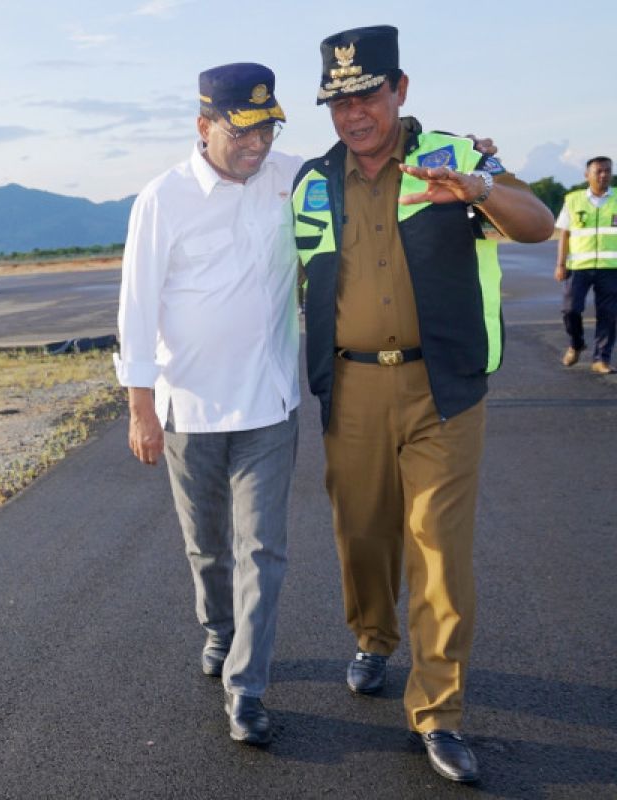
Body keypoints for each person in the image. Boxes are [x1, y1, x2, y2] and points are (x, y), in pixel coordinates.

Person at [292, 25, 554, 784]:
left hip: (443, 388)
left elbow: (536, 226)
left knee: (438, 550)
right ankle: (373, 638)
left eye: (367, 95)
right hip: (351, 389)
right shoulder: (313, 180)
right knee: (363, 535)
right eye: (339, 102)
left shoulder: (457, 156)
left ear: (399, 89)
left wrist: (477, 188)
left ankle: (437, 711)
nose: (354, 115)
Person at [115, 63, 302, 747]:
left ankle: (247, 688)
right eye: (243, 130)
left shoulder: (293, 176)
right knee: (206, 546)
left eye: (268, 128)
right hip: (188, 408)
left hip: (269, 403)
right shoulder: (161, 199)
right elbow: (135, 313)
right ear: (204, 125)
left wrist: (470, 158)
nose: (258, 144)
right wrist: (141, 411)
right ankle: (220, 630)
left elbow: (372, 158)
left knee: (265, 549)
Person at [555, 156, 616, 374]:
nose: (603, 175)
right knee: (570, 310)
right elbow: (565, 234)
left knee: (608, 314)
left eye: (607, 171)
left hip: (611, 268)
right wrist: (560, 264)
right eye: (598, 171)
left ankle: (601, 359)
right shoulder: (573, 200)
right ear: (587, 175)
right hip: (579, 267)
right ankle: (576, 343)